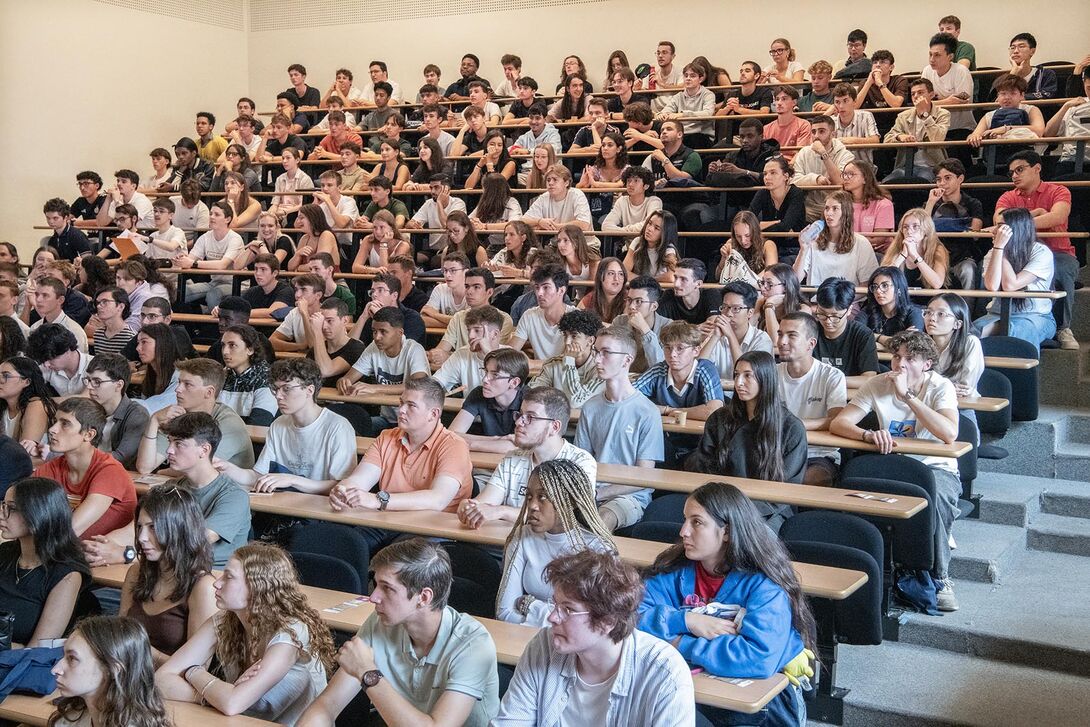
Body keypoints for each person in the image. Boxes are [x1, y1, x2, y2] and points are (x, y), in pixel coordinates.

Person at [639, 481, 815, 724]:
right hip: (694, 692)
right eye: (685, 520)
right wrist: (687, 620)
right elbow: (629, 618)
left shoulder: (764, 584)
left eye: (697, 522)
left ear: (728, 532)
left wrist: (677, 641)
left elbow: (757, 658)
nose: (683, 531)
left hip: (762, 709)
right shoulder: (674, 571)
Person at [298, 538, 499, 727]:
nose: (373, 597)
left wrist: (368, 673)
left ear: (424, 597)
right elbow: (327, 705)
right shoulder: (380, 622)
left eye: (387, 588)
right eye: (375, 584)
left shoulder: (473, 643)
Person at [831, 331, 962, 611]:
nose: (899, 364)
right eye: (897, 356)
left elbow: (949, 433)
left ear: (926, 364)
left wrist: (909, 397)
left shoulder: (941, 387)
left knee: (934, 498)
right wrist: (867, 435)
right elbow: (840, 424)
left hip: (935, 467)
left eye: (910, 359)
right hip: (893, 466)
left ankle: (940, 577)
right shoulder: (877, 383)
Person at [157, 542, 335, 724]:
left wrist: (194, 671)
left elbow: (233, 703)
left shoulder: (291, 634)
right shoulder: (225, 619)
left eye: (228, 577)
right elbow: (161, 681)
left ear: (257, 587)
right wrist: (213, 696)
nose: (217, 583)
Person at [575, 325, 662, 531]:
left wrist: (599, 494)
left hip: (628, 496)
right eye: (596, 352)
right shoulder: (590, 407)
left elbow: (644, 477)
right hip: (590, 491)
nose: (597, 359)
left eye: (606, 353)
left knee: (601, 520)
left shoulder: (647, 412)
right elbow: (581, 460)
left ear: (627, 360)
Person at [119, 484, 216, 665]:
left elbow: (197, 668)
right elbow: (120, 636)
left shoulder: (203, 587)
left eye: (153, 527)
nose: (141, 537)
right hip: (128, 675)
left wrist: (145, 652)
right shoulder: (136, 572)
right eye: (140, 527)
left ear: (179, 529)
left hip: (171, 687)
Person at [994, 150, 1077, 350]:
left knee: (1063, 271)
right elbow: (999, 220)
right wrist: (1038, 213)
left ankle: (1063, 328)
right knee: (987, 266)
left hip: (1057, 251)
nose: (1014, 175)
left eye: (1020, 170)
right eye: (1012, 172)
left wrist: (1019, 221)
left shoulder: (1059, 191)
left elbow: (1056, 217)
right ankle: (993, 315)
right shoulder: (1008, 196)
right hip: (1018, 255)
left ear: (1037, 168)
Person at [32, 397, 136, 555]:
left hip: (103, 564)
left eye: (65, 424)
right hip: (67, 556)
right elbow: (26, 513)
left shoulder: (109, 470)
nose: (52, 429)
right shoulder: (50, 469)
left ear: (88, 434)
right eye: (54, 422)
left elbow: (70, 531)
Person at [0, 477, 91, 649]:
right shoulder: (5, 553)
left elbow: (37, 650)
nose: (1, 514)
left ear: (38, 514)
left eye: (11, 508)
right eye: (3, 505)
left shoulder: (67, 575)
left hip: (20, 667)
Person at [136, 357, 256, 474]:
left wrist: (161, 472)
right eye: (179, 383)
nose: (178, 389)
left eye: (187, 384)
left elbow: (199, 470)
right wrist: (154, 421)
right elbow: (144, 467)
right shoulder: (177, 415)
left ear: (209, 392)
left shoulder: (228, 423)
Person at [49, 615, 172, 727]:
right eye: (64, 655)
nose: (55, 670)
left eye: (72, 658)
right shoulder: (70, 719)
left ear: (112, 669)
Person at [776, 312, 848, 486]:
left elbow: (836, 420)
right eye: (780, 334)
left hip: (817, 453)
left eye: (791, 335)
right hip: (777, 449)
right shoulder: (772, 373)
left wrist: (795, 424)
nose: (782, 341)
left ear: (811, 344)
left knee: (810, 479)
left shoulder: (832, 375)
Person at [338, 306, 430, 433]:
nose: (377, 337)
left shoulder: (414, 349)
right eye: (374, 331)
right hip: (386, 420)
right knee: (348, 429)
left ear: (400, 332)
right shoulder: (373, 347)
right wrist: (344, 381)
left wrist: (374, 388)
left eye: (383, 331)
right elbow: (349, 377)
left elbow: (418, 386)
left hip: (414, 423)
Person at [975, 207, 1057, 348]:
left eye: (1000, 226)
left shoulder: (1041, 252)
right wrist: (999, 249)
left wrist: (1003, 250)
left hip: (1035, 316)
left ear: (1016, 228)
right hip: (996, 314)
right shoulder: (993, 252)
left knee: (1016, 332)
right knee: (969, 334)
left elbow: (1010, 285)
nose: (994, 231)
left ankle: (1021, 370)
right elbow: (992, 286)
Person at [429, 268, 514, 366]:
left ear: (489, 292)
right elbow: (442, 349)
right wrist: (436, 355)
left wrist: (449, 356)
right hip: (458, 371)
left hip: (489, 370)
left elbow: (494, 355)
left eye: (476, 287)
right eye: (467, 286)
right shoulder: (458, 317)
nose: (469, 292)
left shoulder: (504, 319)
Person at [794, 191, 879, 285]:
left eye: (835, 208)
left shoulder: (861, 243)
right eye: (827, 208)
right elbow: (795, 279)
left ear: (846, 212)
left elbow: (867, 283)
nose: (829, 213)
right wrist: (803, 249)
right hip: (817, 298)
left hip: (850, 299)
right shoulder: (814, 241)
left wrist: (842, 299)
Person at [924, 158, 984, 289]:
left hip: (962, 255)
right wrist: (930, 203)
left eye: (947, 178)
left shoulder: (973, 203)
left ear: (960, 179)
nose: (942, 183)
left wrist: (938, 226)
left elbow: (975, 233)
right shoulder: (931, 204)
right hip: (935, 255)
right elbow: (923, 231)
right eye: (939, 179)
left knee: (969, 271)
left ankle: (967, 309)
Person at [174, 201, 245, 310]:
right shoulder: (205, 237)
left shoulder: (235, 238)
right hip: (214, 282)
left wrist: (193, 263)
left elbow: (222, 265)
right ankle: (193, 324)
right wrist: (182, 259)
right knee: (179, 292)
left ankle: (219, 326)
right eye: (211, 214)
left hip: (236, 284)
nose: (212, 217)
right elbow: (190, 258)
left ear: (228, 219)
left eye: (217, 215)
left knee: (213, 295)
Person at [84, 353, 148, 470]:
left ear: (118, 385)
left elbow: (120, 458)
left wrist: (79, 458)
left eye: (97, 381)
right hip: (90, 470)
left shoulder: (137, 415)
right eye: (88, 380)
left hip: (118, 476)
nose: (89, 387)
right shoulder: (87, 409)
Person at [698, 281, 775, 379]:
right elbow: (698, 371)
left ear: (750, 313)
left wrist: (731, 336)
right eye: (725, 307)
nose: (728, 313)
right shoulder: (717, 335)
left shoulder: (762, 339)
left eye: (736, 309)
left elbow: (746, 376)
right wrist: (715, 336)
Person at [529, 309, 604, 407]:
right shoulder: (553, 364)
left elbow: (575, 401)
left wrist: (569, 362)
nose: (567, 342)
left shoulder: (600, 368)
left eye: (574, 336)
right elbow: (532, 393)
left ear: (590, 341)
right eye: (565, 336)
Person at [814, 277, 880, 387]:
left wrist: (831, 381)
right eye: (822, 313)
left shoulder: (862, 334)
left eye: (835, 316)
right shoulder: (810, 329)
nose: (828, 321)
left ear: (849, 310)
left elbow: (869, 378)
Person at [883, 78, 950, 181]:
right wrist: (900, 137)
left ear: (931, 95)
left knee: (922, 183)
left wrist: (925, 114)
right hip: (904, 166)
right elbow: (887, 139)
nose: (916, 96)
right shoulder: (903, 116)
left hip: (931, 167)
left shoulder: (943, 114)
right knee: (886, 183)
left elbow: (938, 138)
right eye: (913, 94)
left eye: (920, 92)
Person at [433, 305, 509, 394]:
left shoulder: (511, 356)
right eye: (469, 330)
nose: (470, 336)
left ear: (495, 334)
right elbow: (435, 383)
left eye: (477, 330)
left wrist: (488, 353)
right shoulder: (462, 354)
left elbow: (508, 395)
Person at [790, 115, 853, 222]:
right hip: (809, 207)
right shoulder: (804, 152)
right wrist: (816, 179)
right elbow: (793, 179)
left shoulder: (846, 155)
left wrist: (823, 154)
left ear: (833, 134)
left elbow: (840, 181)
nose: (816, 136)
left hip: (837, 207)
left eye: (822, 131)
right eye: (813, 132)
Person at [510, 264, 576, 361]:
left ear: (561, 290)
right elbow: (511, 351)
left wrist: (533, 364)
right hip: (538, 375)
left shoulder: (576, 317)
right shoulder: (529, 315)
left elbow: (572, 360)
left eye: (546, 287)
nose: (539, 293)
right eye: (537, 287)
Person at [927, 293, 985, 404]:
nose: (932, 318)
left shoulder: (970, 342)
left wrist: (928, 386)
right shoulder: (923, 343)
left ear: (957, 324)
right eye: (928, 312)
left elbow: (963, 389)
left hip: (962, 405)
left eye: (941, 314)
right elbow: (913, 382)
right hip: (928, 404)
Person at [218, 324, 277, 426]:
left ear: (250, 350)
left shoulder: (267, 379)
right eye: (223, 345)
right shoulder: (221, 376)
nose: (225, 352)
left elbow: (258, 424)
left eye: (232, 345)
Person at [923, 33, 976, 147]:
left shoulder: (961, 71)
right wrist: (948, 100)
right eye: (930, 54)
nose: (932, 59)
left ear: (950, 56)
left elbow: (962, 100)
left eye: (937, 55)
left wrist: (933, 102)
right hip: (936, 125)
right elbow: (922, 102)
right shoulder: (927, 71)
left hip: (961, 127)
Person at [406, 173, 468, 265]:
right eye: (431, 188)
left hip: (453, 249)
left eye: (436, 187)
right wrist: (412, 224)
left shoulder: (458, 203)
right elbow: (409, 224)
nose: (432, 192)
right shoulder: (428, 203)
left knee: (436, 261)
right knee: (410, 259)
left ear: (446, 189)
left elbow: (446, 225)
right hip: (432, 249)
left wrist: (439, 203)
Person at [749, 156, 808, 252]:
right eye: (765, 174)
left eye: (773, 173)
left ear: (786, 176)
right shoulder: (763, 193)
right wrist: (776, 222)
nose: (767, 177)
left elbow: (785, 227)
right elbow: (747, 220)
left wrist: (758, 227)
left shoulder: (796, 193)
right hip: (768, 242)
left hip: (793, 246)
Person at [881, 209, 950, 289]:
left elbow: (937, 284)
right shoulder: (896, 248)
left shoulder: (937, 249)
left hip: (931, 299)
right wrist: (902, 256)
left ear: (926, 230)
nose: (909, 231)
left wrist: (915, 256)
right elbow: (884, 282)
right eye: (905, 227)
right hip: (905, 299)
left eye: (915, 226)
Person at [351, 272, 426, 345]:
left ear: (394, 296)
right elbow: (349, 348)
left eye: (380, 290)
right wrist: (363, 317)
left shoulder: (412, 318)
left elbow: (398, 349)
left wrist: (381, 318)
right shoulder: (372, 316)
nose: (374, 295)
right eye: (372, 291)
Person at [522, 164, 594, 240]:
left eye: (555, 180)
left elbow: (584, 224)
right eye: (548, 180)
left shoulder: (577, 195)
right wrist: (539, 221)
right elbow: (522, 221)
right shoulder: (544, 197)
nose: (550, 183)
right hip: (556, 245)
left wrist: (555, 226)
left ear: (566, 183)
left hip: (584, 245)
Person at [307, 297, 366, 388]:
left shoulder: (357, 348)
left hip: (347, 401)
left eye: (329, 321)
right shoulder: (313, 351)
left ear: (345, 320)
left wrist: (317, 332)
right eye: (322, 321)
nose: (324, 326)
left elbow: (326, 370)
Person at [860, 267, 926, 348]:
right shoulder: (868, 310)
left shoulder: (914, 312)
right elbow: (856, 333)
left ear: (898, 289)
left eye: (885, 285)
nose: (878, 291)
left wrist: (877, 342)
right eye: (875, 286)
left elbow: (911, 344)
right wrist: (884, 339)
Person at [656, 63, 716, 148]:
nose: (688, 79)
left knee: (688, 140)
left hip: (701, 135)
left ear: (701, 79)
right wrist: (661, 115)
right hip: (682, 135)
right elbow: (666, 110)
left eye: (692, 76)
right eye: (686, 76)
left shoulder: (708, 94)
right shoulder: (678, 96)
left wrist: (683, 114)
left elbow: (708, 113)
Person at [121, 298, 194, 363]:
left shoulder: (178, 334)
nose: (144, 321)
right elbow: (122, 358)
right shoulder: (143, 335)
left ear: (167, 320)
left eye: (152, 316)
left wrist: (139, 367)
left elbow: (169, 364)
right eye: (143, 315)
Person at [843, 160, 894, 249]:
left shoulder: (884, 204)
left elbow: (879, 240)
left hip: (876, 253)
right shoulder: (840, 203)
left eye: (851, 174)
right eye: (844, 174)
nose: (846, 178)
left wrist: (846, 241)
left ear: (865, 178)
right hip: (847, 250)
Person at [29, 276, 89, 352]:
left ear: (60, 300)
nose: (38, 299)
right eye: (37, 295)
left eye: (45, 295)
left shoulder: (74, 331)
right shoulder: (35, 327)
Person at [29, 323, 90, 397]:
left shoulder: (96, 365)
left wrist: (47, 402)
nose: (46, 364)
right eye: (43, 360)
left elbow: (85, 399)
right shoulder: (46, 366)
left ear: (67, 350)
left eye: (51, 359)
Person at [717, 211, 777, 286]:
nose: (743, 241)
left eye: (747, 235)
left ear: (755, 231)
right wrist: (724, 258)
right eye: (738, 236)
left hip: (760, 289)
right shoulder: (731, 243)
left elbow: (771, 273)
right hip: (735, 290)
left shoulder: (768, 245)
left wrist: (749, 283)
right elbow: (718, 276)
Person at [270, 274, 326, 353]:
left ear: (318, 295)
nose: (297, 295)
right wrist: (300, 346)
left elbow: (314, 348)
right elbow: (272, 341)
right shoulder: (295, 312)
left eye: (304, 290)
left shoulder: (328, 315)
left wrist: (305, 314)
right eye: (296, 290)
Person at [133, 324, 180, 412]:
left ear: (161, 343)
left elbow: (158, 408)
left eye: (144, 342)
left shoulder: (179, 377)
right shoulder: (151, 374)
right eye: (138, 343)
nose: (138, 348)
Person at [658, 258, 721, 325]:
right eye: (675, 277)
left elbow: (712, 326)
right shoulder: (669, 294)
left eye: (683, 279)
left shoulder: (711, 295)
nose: (676, 284)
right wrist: (697, 328)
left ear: (698, 284)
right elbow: (656, 322)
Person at [623, 210, 680, 282]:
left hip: (661, 290)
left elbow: (671, 276)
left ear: (665, 234)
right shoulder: (637, 242)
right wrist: (646, 280)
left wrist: (648, 280)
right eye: (649, 223)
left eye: (656, 228)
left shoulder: (668, 248)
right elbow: (624, 272)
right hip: (641, 288)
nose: (649, 229)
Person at [831, 84, 880, 167]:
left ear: (854, 101)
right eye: (837, 102)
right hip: (837, 170)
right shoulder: (831, 121)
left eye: (845, 101)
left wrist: (852, 140)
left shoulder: (866, 116)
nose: (841, 106)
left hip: (864, 169)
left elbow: (875, 140)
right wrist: (828, 113)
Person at [602, 166, 662, 234]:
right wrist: (627, 231)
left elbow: (649, 226)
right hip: (627, 244)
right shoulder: (622, 201)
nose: (630, 184)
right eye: (628, 181)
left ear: (646, 186)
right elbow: (606, 226)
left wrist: (624, 231)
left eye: (636, 181)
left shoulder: (654, 201)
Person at [762, 86, 811, 162]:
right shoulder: (766, 128)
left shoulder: (803, 125)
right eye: (777, 99)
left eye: (784, 99)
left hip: (795, 168)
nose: (779, 103)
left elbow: (801, 153)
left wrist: (788, 169)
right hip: (773, 168)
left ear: (794, 102)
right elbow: (765, 155)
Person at [422, 252, 470, 328]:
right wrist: (455, 325)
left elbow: (467, 322)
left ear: (466, 272)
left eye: (453, 270)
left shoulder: (473, 293)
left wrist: (435, 315)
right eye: (445, 270)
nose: (447, 275)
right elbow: (423, 319)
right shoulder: (439, 289)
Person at [1005, 32, 1058, 100]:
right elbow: (995, 101)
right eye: (1012, 48)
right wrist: (1012, 76)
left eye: (1021, 46)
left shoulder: (1045, 74)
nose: (1015, 51)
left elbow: (1048, 94)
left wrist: (1021, 97)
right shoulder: (1004, 78)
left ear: (1032, 51)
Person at [239, 253, 294, 318]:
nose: (258, 273)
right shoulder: (252, 291)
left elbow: (274, 312)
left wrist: (242, 313)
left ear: (275, 273)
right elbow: (237, 308)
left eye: (263, 269)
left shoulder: (286, 290)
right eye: (256, 269)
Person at [87, 287, 135, 358]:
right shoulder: (98, 334)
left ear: (120, 306)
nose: (99, 306)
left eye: (105, 302)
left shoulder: (130, 337)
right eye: (98, 303)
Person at [578, 257, 627, 324]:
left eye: (621, 274)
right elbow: (576, 323)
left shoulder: (629, 300)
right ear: (600, 276)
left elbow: (625, 330)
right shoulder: (590, 298)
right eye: (611, 273)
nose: (616, 278)